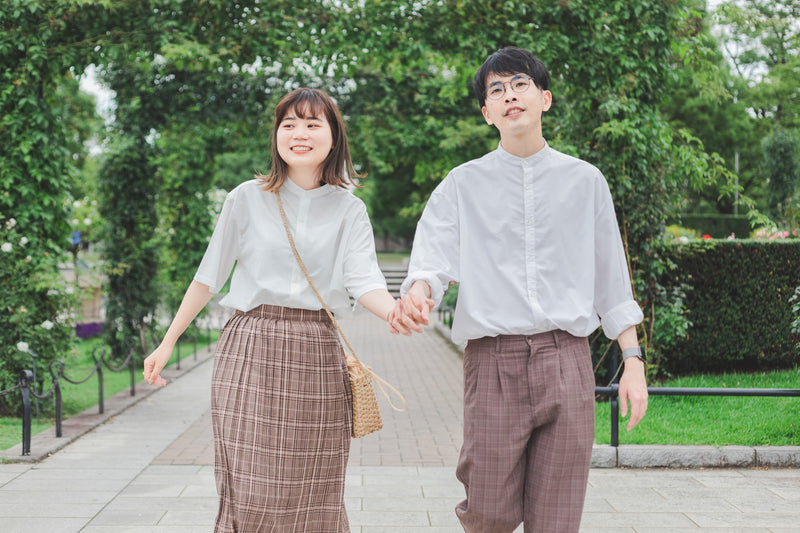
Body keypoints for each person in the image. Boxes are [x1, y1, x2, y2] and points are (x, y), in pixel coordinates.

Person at [393, 47, 649, 533]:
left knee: (556, 517)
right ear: (487, 113)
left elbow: (612, 279)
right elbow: (432, 259)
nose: (510, 95)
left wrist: (632, 362)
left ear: (544, 98)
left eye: (520, 84)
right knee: (487, 512)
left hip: (565, 359)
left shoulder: (586, 181)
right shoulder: (461, 185)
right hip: (493, 362)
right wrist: (421, 291)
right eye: (497, 89)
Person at [143, 88, 415, 533]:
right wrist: (167, 342)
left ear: (333, 137)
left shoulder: (350, 209)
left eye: (312, 124)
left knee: (315, 485)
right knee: (249, 484)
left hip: (317, 351)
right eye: (288, 124)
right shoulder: (246, 198)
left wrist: (394, 312)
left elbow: (364, 280)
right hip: (250, 345)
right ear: (276, 136)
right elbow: (208, 278)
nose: (298, 133)